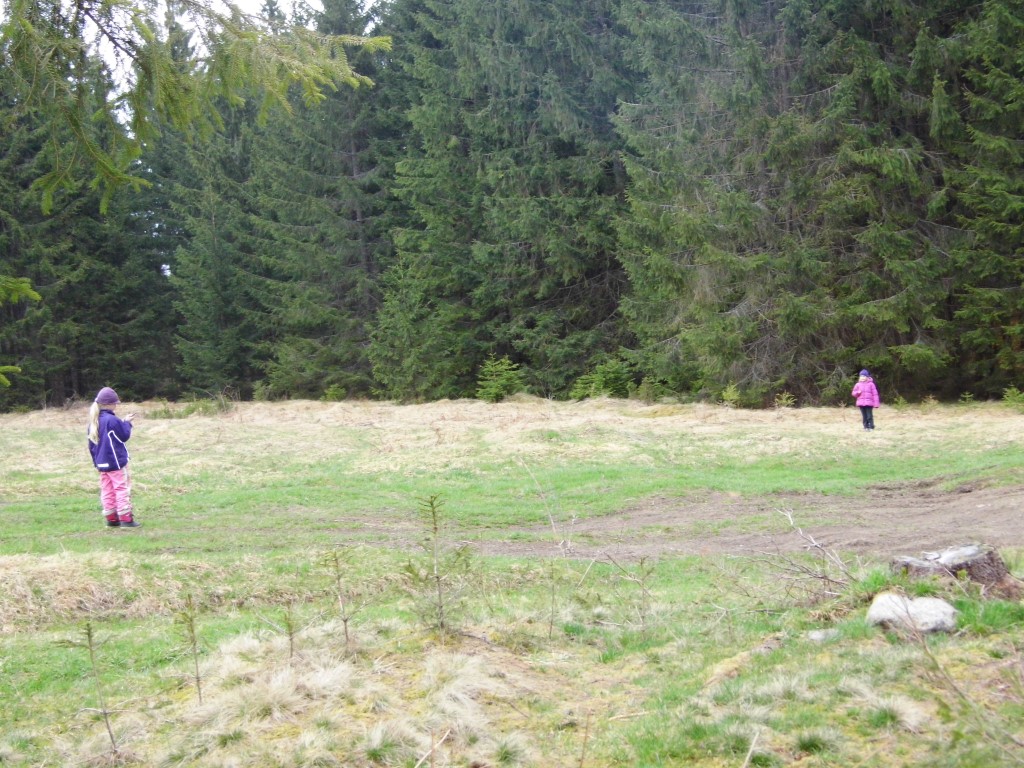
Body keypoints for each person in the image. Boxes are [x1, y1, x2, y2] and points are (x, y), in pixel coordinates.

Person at [87, 387, 141, 528]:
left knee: (107, 490)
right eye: (115, 403)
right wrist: (127, 423)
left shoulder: (94, 421)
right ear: (110, 404)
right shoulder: (112, 420)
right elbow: (124, 435)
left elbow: (91, 446)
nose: (116, 406)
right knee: (121, 488)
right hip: (116, 463)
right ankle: (125, 518)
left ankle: (111, 518)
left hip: (102, 464)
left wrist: (96, 462)